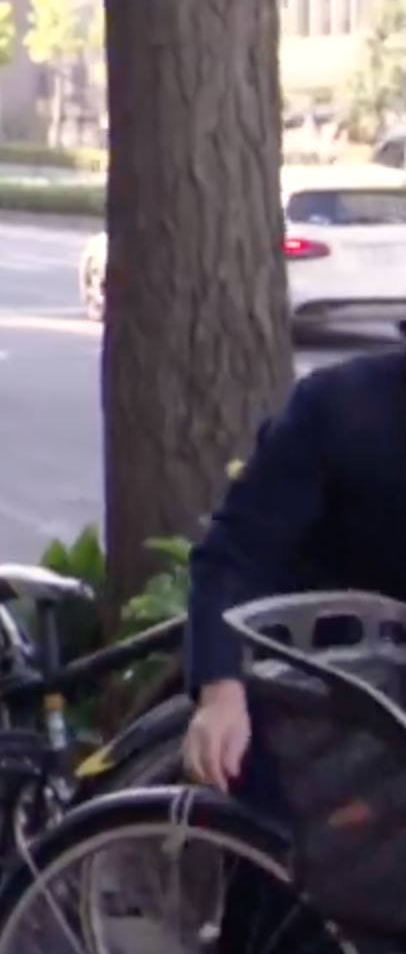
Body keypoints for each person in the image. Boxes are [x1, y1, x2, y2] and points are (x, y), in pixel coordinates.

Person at [185, 349, 406, 952]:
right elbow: (235, 555)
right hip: (321, 715)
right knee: (293, 919)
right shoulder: (343, 406)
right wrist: (220, 690)